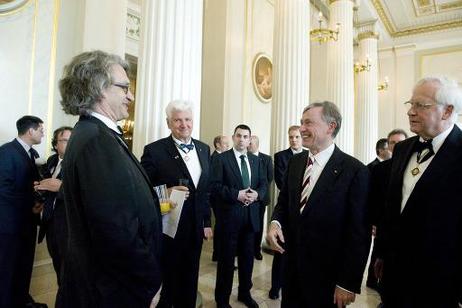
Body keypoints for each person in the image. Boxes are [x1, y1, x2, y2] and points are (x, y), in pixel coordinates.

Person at [57, 50, 162, 308]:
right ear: (99, 89)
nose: (131, 95)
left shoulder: (99, 134)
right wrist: (148, 282)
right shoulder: (96, 141)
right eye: (124, 87)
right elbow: (115, 230)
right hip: (110, 290)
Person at [267, 101, 370, 308]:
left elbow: (358, 232)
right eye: (301, 123)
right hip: (292, 271)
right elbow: (284, 201)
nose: (301, 129)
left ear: (330, 127)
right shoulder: (296, 163)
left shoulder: (355, 171)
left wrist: (347, 283)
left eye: (308, 123)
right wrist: (275, 223)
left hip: (328, 279)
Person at [375, 76, 462, 307]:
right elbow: (391, 206)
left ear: (447, 111)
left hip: (438, 282)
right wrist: (381, 253)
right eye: (410, 104)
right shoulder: (403, 149)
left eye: (420, 106)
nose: (411, 112)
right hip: (394, 276)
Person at [140, 100, 212, 308]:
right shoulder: (154, 150)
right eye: (177, 120)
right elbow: (143, 190)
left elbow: (205, 190)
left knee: (191, 275)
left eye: (187, 119)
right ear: (168, 123)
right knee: (168, 277)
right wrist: (166, 192)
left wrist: (206, 221)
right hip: (168, 227)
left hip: (195, 227)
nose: (184, 124)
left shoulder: (203, 148)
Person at [212, 124, 267, 308]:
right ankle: (222, 300)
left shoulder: (256, 160)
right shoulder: (222, 159)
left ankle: (245, 293)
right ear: (233, 137)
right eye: (239, 136)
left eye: (245, 137)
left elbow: (264, 184)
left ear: (250, 139)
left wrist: (257, 194)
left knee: (247, 262)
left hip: (250, 219)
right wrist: (237, 194)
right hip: (230, 219)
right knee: (226, 263)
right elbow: (215, 187)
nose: (242, 139)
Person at [0, 115, 47, 308]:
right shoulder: (6, 152)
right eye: (41, 130)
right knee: (7, 272)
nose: (43, 134)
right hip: (9, 226)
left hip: (25, 224)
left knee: (22, 269)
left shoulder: (30, 153)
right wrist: (30, 203)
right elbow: (3, 189)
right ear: (31, 131)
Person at [365, 129, 407, 295]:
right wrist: (373, 222)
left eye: (400, 142)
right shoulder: (379, 169)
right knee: (380, 257)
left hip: (407, 226)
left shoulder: (415, 165)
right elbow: (372, 198)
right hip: (384, 225)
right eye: (393, 143)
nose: (396, 146)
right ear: (388, 145)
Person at [269, 125, 306, 300]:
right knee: (280, 252)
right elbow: (281, 183)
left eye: (297, 137)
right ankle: (275, 287)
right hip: (287, 208)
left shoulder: (308, 156)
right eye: (291, 137)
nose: (294, 140)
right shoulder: (281, 156)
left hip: (305, 212)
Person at [35, 126, 72, 286]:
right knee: (59, 270)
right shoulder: (52, 161)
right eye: (65, 140)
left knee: (69, 276)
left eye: (73, 140)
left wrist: (61, 187)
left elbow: (88, 192)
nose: (70, 144)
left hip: (69, 229)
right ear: (55, 144)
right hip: (50, 225)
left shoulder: (80, 164)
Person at [247, 135, 273, 260]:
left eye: (251, 143)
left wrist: (257, 193)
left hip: (260, 198)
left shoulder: (266, 159)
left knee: (258, 225)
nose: (248, 145)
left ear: (257, 144)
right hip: (245, 197)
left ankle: (256, 250)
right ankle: (245, 249)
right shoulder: (244, 156)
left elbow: (269, 178)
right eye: (248, 143)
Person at [211, 135, 230, 262]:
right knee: (222, 227)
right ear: (218, 145)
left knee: (220, 226)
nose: (228, 147)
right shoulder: (216, 158)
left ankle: (217, 254)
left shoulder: (219, 157)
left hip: (220, 197)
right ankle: (220, 254)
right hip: (218, 198)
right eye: (225, 144)